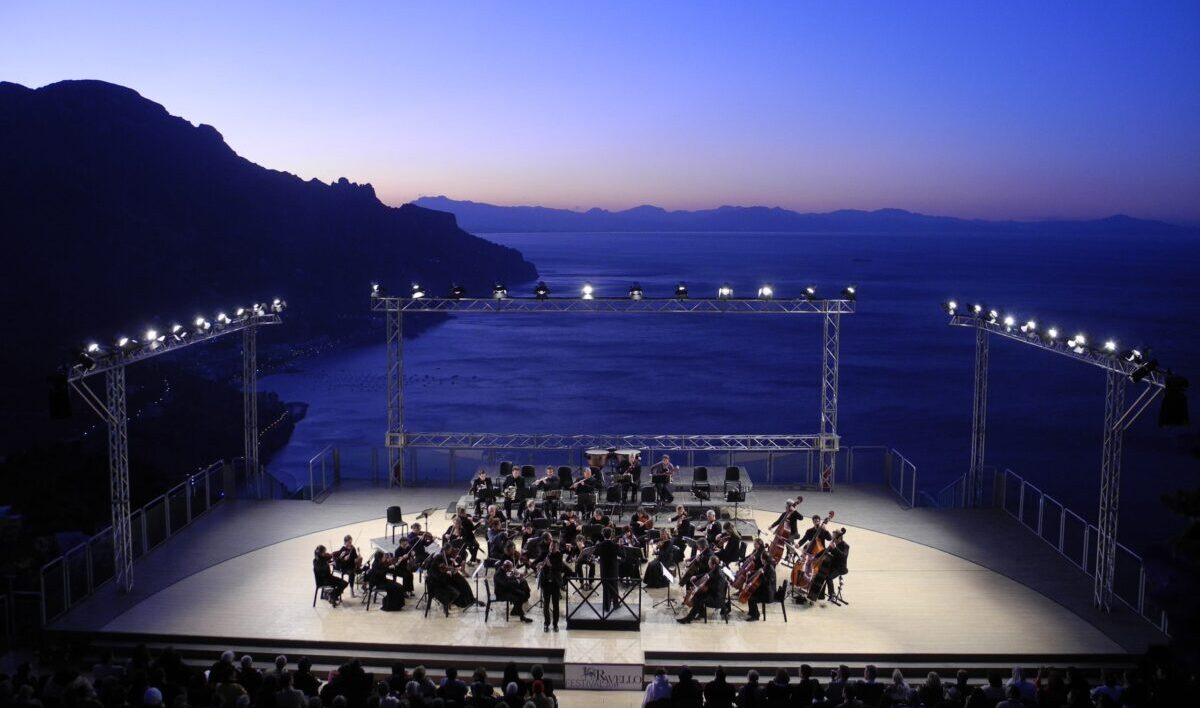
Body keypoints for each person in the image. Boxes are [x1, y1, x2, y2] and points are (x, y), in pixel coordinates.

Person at [677, 556, 728, 623]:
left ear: (714, 565)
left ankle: (688, 619)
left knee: (699, 599)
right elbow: (706, 574)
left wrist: (707, 587)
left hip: (717, 598)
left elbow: (718, 587)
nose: (708, 564)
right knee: (698, 596)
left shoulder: (719, 574)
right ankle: (701, 613)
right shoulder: (715, 569)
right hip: (713, 593)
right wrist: (696, 577)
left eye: (709, 563)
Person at [536, 537, 565, 632]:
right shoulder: (545, 554)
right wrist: (539, 565)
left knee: (556, 605)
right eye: (551, 546)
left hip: (555, 583)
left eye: (554, 546)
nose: (552, 547)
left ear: (557, 548)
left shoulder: (559, 555)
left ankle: (555, 624)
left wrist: (550, 565)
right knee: (546, 605)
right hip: (546, 583)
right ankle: (546, 624)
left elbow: (560, 568)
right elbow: (536, 562)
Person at [743, 537, 775, 621]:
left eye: (761, 559)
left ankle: (755, 616)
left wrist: (762, 574)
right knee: (751, 593)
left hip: (768, 593)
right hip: (765, 589)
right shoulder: (766, 566)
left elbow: (767, 582)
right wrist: (752, 573)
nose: (760, 560)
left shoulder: (770, 569)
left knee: (751, 596)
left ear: (764, 559)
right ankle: (752, 612)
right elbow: (759, 572)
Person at [595, 527, 622, 613]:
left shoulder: (599, 545)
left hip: (604, 569)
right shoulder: (615, 545)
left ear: (603, 535)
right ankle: (615, 604)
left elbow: (596, 554)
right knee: (614, 587)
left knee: (606, 588)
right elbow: (622, 555)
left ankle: (606, 606)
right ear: (611, 535)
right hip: (613, 569)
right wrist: (622, 547)